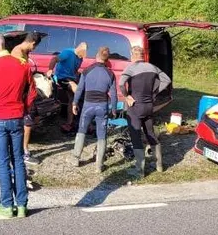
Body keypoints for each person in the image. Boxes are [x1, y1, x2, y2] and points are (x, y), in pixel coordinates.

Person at [0, 32, 40, 219]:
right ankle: (22, 206)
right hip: (17, 118)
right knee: (19, 160)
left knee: (3, 163)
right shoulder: (23, 65)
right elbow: (32, 93)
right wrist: (24, 109)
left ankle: (7, 206)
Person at [119, 46, 171, 178]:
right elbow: (167, 80)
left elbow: (121, 84)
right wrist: (154, 91)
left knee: (136, 136)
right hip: (149, 106)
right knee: (150, 133)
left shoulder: (131, 68)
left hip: (135, 106)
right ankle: (159, 165)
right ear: (143, 55)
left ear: (133, 55)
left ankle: (139, 170)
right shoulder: (153, 67)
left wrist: (127, 96)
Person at [71, 47, 117, 173]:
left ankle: (76, 159)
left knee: (81, 131)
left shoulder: (87, 71)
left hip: (87, 106)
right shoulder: (110, 73)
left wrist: (74, 103)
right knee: (102, 135)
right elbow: (113, 94)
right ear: (107, 59)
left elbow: (80, 89)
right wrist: (113, 109)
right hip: (102, 106)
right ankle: (99, 165)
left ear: (96, 56)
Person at [11, 32, 43, 167]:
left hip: (27, 92)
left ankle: (22, 150)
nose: (33, 49)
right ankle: (23, 152)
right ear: (33, 43)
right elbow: (19, 74)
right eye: (34, 47)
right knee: (27, 124)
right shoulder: (17, 53)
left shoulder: (23, 52)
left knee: (31, 121)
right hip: (21, 95)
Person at [47, 42, 87, 132]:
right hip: (62, 77)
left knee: (72, 98)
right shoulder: (67, 52)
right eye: (82, 54)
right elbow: (54, 59)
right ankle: (80, 113)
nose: (82, 57)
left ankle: (70, 122)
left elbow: (75, 71)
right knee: (77, 90)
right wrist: (50, 70)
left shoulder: (80, 59)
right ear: (78, 49)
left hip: (71, 78)